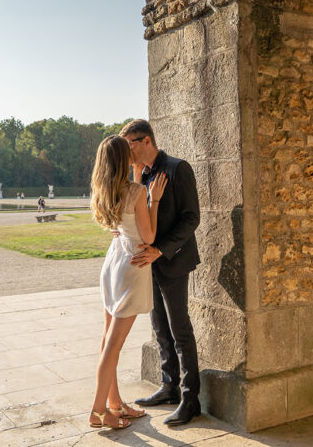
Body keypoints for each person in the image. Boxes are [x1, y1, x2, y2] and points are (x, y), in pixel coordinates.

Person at [120, 119, 202, 426]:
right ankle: (169, 386)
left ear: (145, 141)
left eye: (129, 145)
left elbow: (192, 218)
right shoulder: (141, 175)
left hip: (174, 260)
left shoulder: (178, 169)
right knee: (159, 328)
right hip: (148, 264)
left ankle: (190, 399)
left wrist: (161, 249)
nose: (126, 152)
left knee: (180, 330)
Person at [88, 135, 167, 430]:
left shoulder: (102, 190)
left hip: (112, 264)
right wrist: (154, 199)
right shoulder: (135, 191)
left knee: (108, 339)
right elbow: (148, 237)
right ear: (124, 159)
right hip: (131, 266)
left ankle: (115, 404)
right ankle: (98, 412)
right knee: (114, 345)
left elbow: (121, 224)